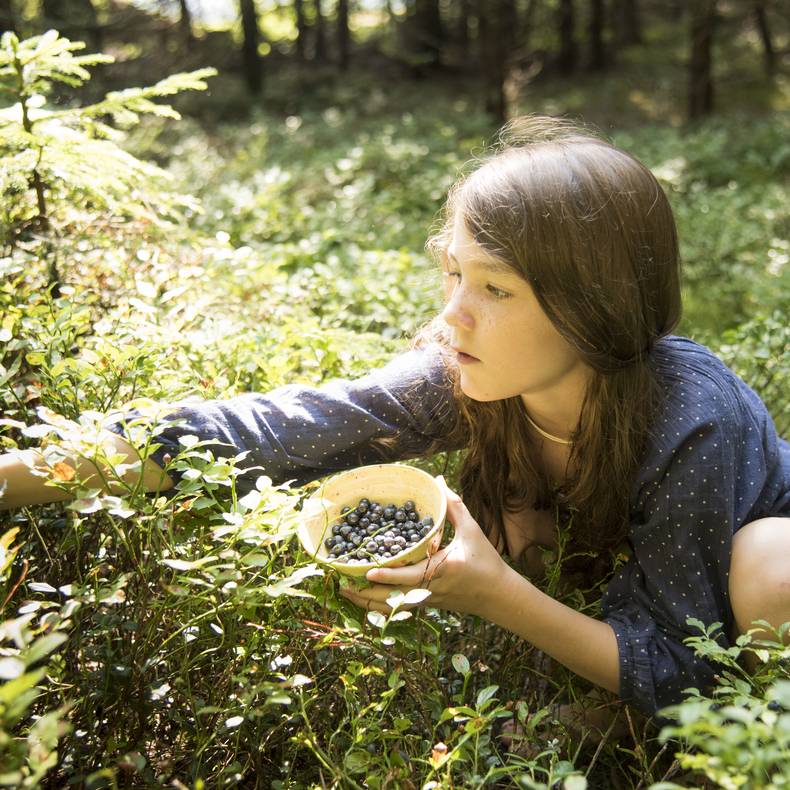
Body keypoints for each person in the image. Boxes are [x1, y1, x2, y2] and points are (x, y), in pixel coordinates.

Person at [2, 116, 789, 742]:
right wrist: (23, 472)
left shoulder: (693, 421)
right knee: (523, 521)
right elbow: (272, 432)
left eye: (496, 289)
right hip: (616, 557)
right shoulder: (472, 374)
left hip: (745, 557)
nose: (453, 315)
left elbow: (688, 669)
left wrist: (498, 597)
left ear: (596, 306)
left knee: (769, 576)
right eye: (452, 273)